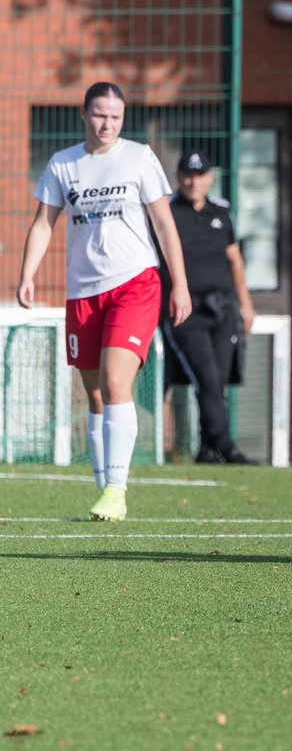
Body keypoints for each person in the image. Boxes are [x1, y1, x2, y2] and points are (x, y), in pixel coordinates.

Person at [16, 81, 192, 522]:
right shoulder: (63, 164)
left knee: (117, 382)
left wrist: (181, 285)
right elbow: (43, 224)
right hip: (83, 292)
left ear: (123, 118)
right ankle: (103, 487)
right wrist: (27, 275)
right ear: (84, 114)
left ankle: (116, 491)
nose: (107, 123)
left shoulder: (138, 158)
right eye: (100, 115)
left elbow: (166, 226)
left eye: (115, 116)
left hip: (136, 283)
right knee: (95, 394)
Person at [160, 150, 258, 465]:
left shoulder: (222, 212)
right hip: (186, 313)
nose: (194, 181)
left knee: (217, 380)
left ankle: (207, 450)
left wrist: (246, 303)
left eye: (200, 175)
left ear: (209, 178)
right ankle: (228, 447)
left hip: (223, 309)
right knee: (207, 379)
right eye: (188, 175)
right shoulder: (168, 213)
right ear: (178, 178)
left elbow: (235, 260)